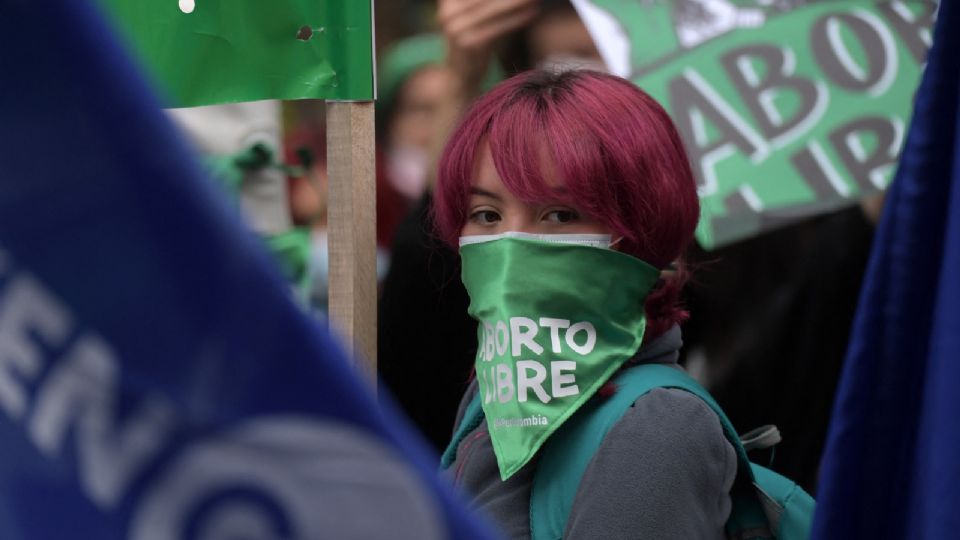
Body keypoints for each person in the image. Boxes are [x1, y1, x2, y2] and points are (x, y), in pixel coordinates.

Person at [435, 69, 736, 538]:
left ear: (640, 230)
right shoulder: (492, 394)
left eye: (559, 214)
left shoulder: (657, 428)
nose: (512, 246)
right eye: (486, 215)